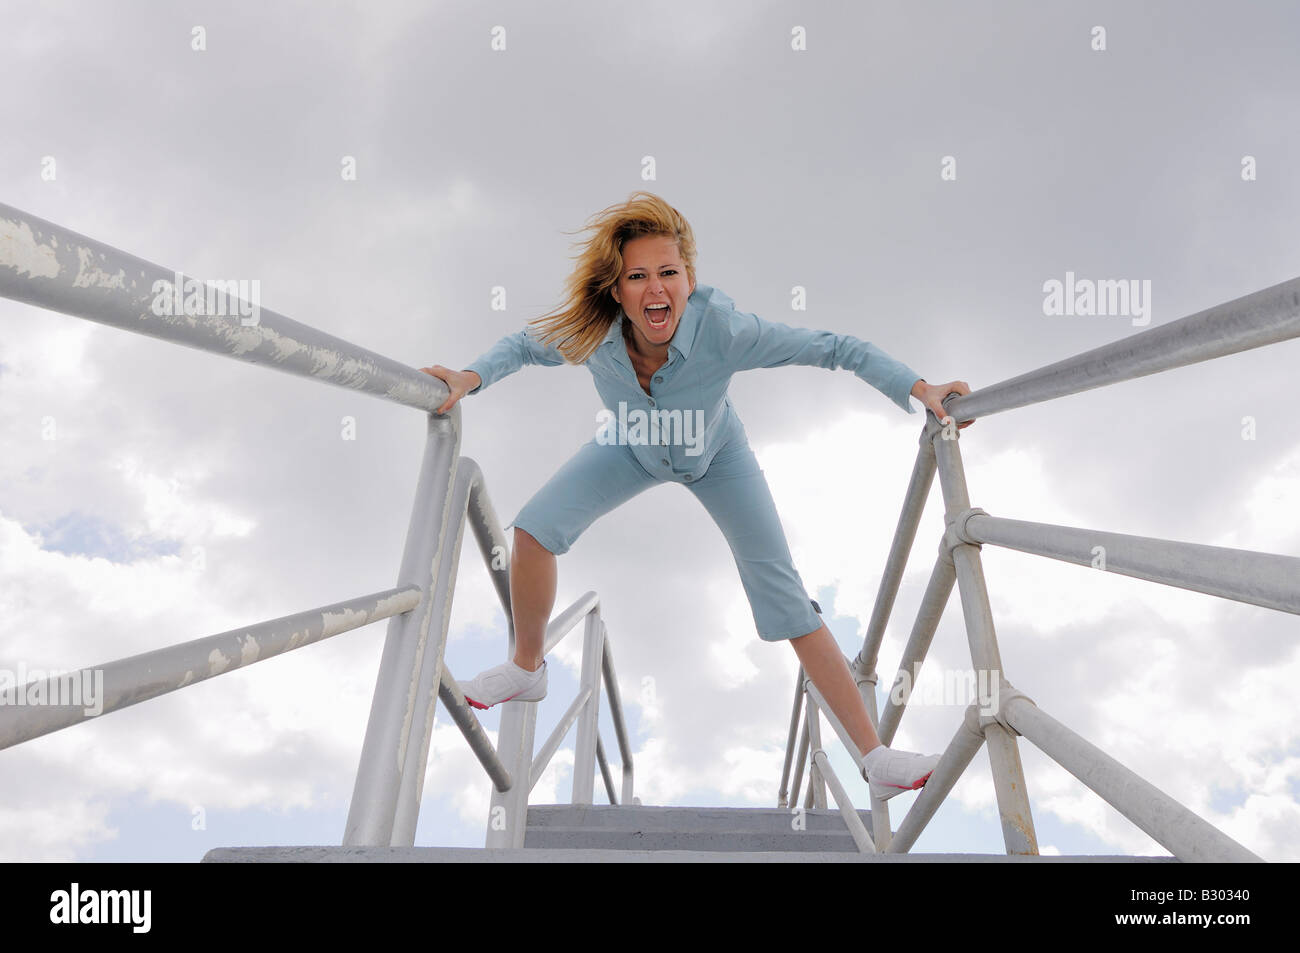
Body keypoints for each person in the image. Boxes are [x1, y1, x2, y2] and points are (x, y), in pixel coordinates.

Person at [420, 192, 973, 800]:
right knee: (532, 532)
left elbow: (836, 347)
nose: (655, 289)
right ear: (617, 289)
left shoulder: (727, 332)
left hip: (717, 456)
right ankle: (528, 670)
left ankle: (875, 758)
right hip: (630, 447)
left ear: (688, 279)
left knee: (785, 596)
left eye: (668, 273)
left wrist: (922, 387)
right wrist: (468, 378)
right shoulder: (594, 333)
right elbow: (525, 345)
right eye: (637, 277)